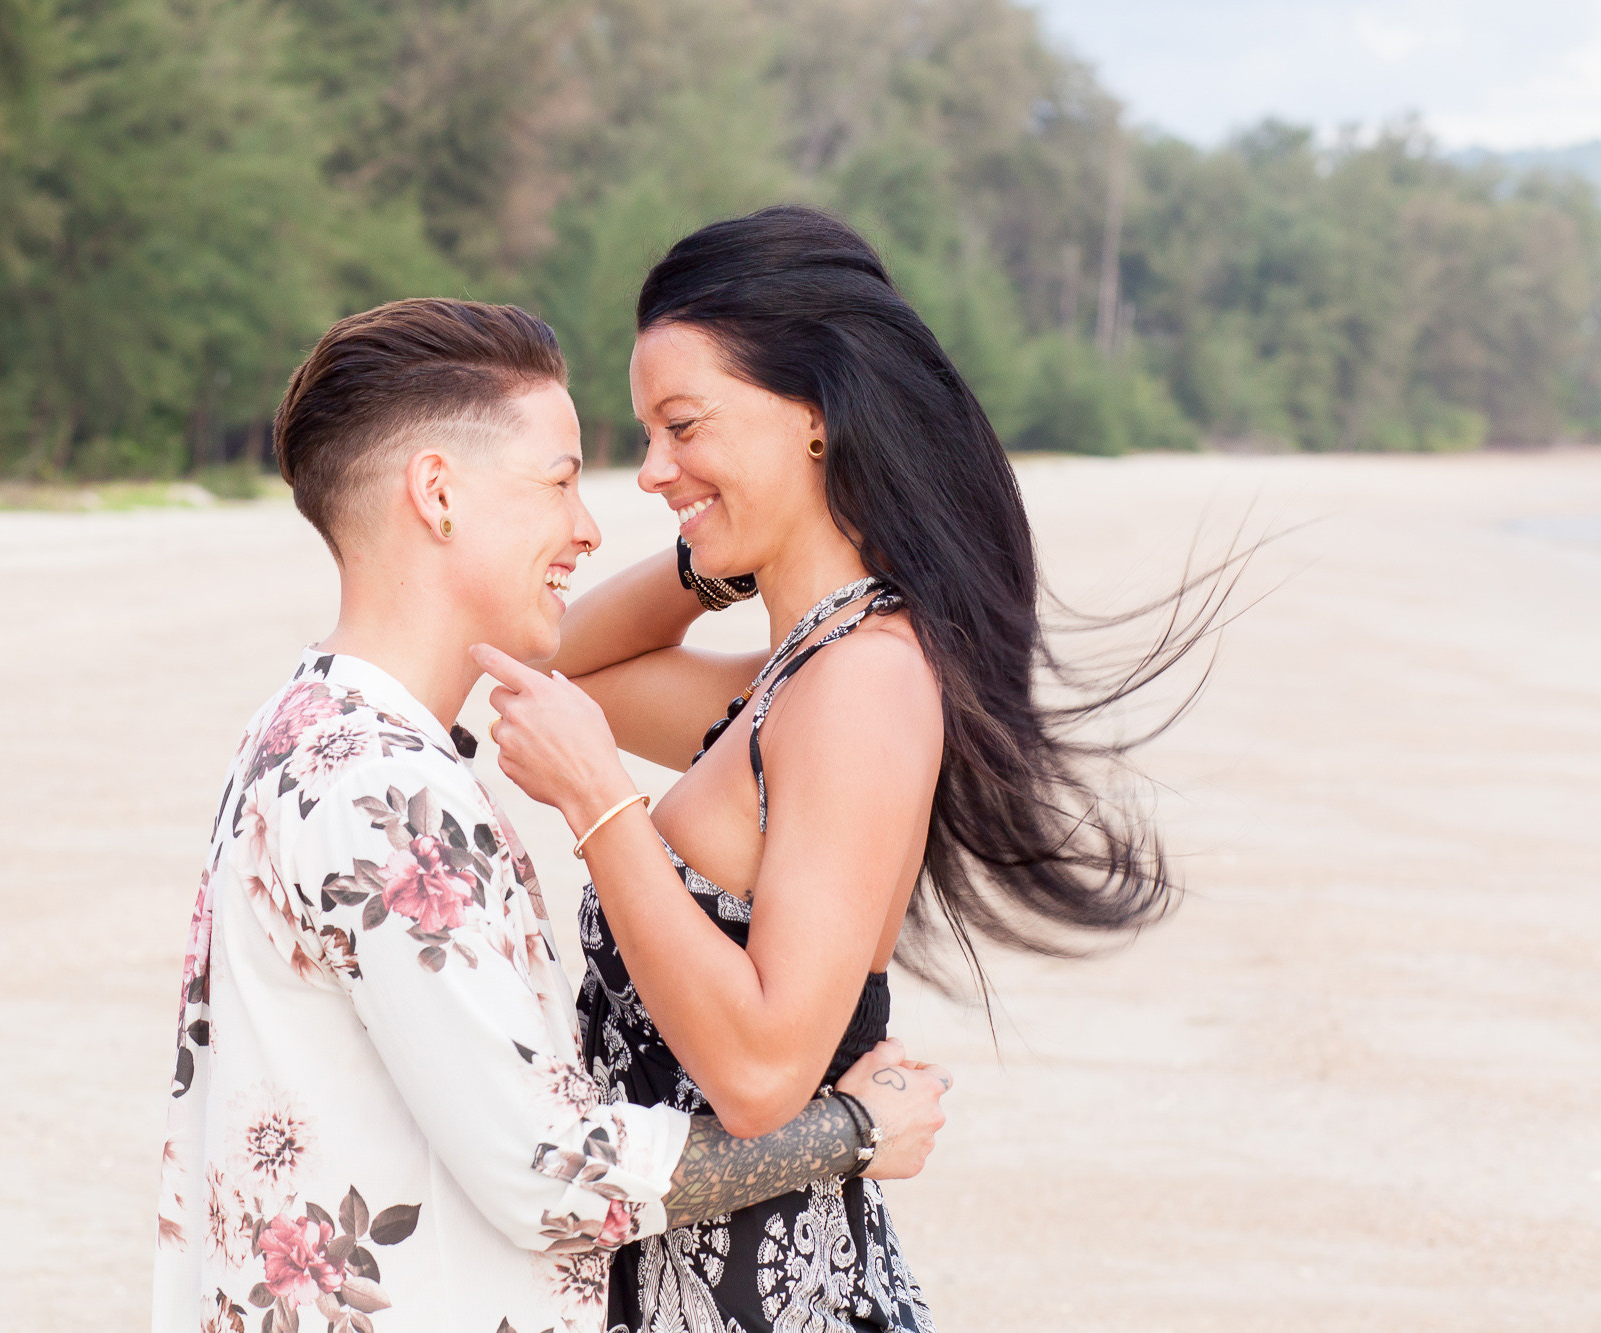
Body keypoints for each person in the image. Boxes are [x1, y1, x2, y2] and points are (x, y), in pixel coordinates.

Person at [152, 297, 953, 1333]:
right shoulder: (379, 789)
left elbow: (559, 653)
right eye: (562, 479)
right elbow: (549, 1172)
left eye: (681, 430)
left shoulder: (302, 726)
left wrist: (727, 537)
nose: (590, 523)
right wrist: (849, 1130)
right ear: (436, 494)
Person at [475, 206, 1185, 1331]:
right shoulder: (788, 680)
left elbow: (761, 1073)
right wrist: (716, 553)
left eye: (683, 425)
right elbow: (549, 654)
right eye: (648, 434)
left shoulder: (860, 685)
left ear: (812, 416)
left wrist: (597, 805)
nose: (653, 470)